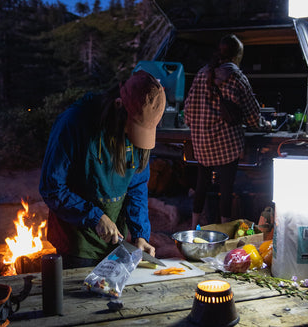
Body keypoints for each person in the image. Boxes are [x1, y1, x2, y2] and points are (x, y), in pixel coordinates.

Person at [39, 70, 166, 269]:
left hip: (115, 244)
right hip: (77, 244)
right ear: (118, 106)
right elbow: (52, 187)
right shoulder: (74, 124)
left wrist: (140, 234)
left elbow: (137, 186)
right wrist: (95, 217)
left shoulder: (139, 132)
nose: (132, 138)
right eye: (131, 129)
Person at [184, 34, 261, 228]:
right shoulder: (236, 77)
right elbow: (253, 116)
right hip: (227, 145)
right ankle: (224, 230)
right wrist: (259, 124)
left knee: (202, 185)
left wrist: (199, 129)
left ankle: (194, 227)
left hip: (202, 144)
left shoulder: (202, 73)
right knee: (226, 189)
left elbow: (188, 111)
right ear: (237, 55)